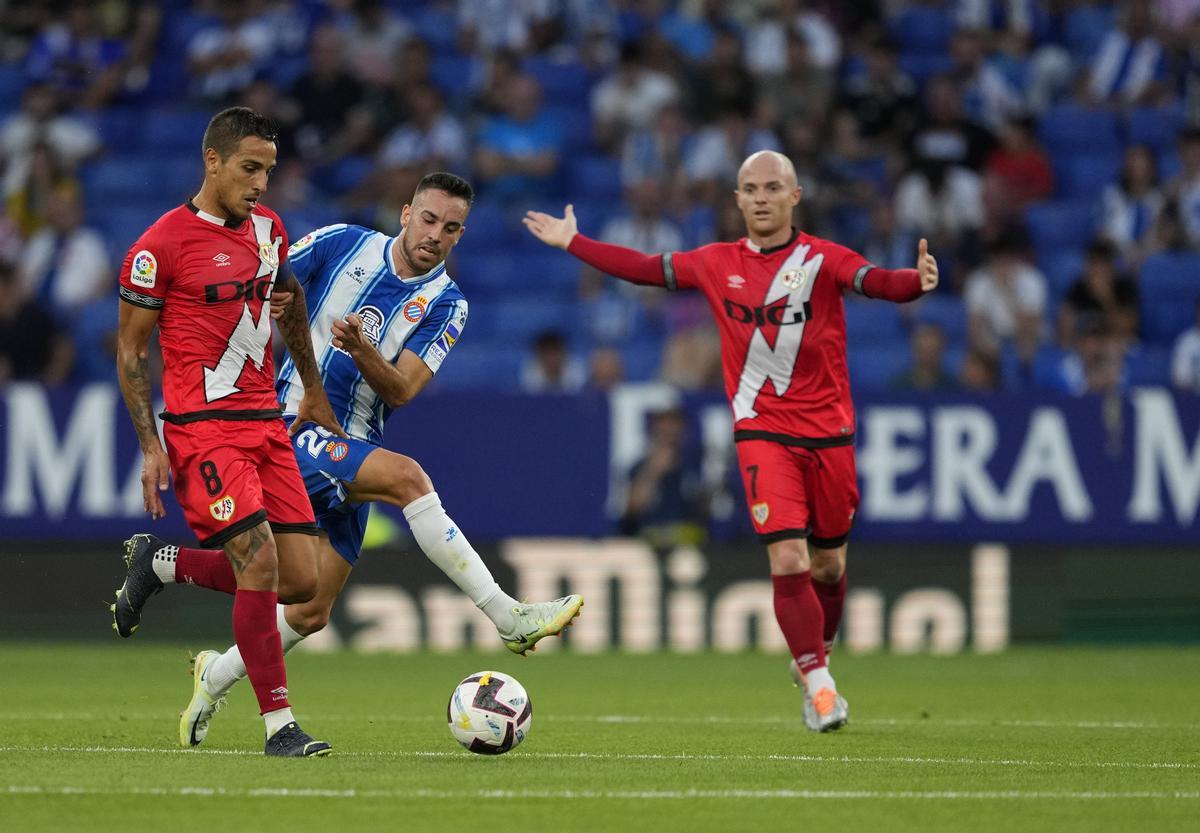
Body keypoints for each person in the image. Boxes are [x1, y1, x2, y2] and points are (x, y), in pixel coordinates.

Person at [126, 172, 583, 749]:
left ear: (461, 236)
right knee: (407, 478)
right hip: (294, 425)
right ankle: (507, 616)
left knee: (308, 605)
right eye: (428, 220)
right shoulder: (343, 243)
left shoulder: (448, 304)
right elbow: (265, 277)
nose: (435, 235)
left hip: (354, 444)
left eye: (451, 228)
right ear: (405, 212)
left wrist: (362, 349)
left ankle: (198, 641)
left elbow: (402, 390)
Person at [523, 150, 939, 732]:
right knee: (788, 556)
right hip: (762, 432)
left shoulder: (822, 259)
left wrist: (912, 285)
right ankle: (820, 688)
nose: (762, 197)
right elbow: (645, 268)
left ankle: (817, 650)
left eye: (773, 187)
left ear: (795, 196)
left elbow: (872, 280)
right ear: (738, 200)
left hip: (830, 436)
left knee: (827, 565)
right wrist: (575, 243)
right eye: (750, 189)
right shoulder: (716, 263)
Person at [112, 106, 346, 758]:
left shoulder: (270, 229)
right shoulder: (160, 246)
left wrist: (314, 388)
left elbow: (292, 300)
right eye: (250, 167)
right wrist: (151, 445)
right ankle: (280, 727)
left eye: (268, 169)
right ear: (211, 160)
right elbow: (131, 353)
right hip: (202, 429)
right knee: (261, 561)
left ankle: (161, 563)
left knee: (302, 581)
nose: (262, 183)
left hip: (266, 424)